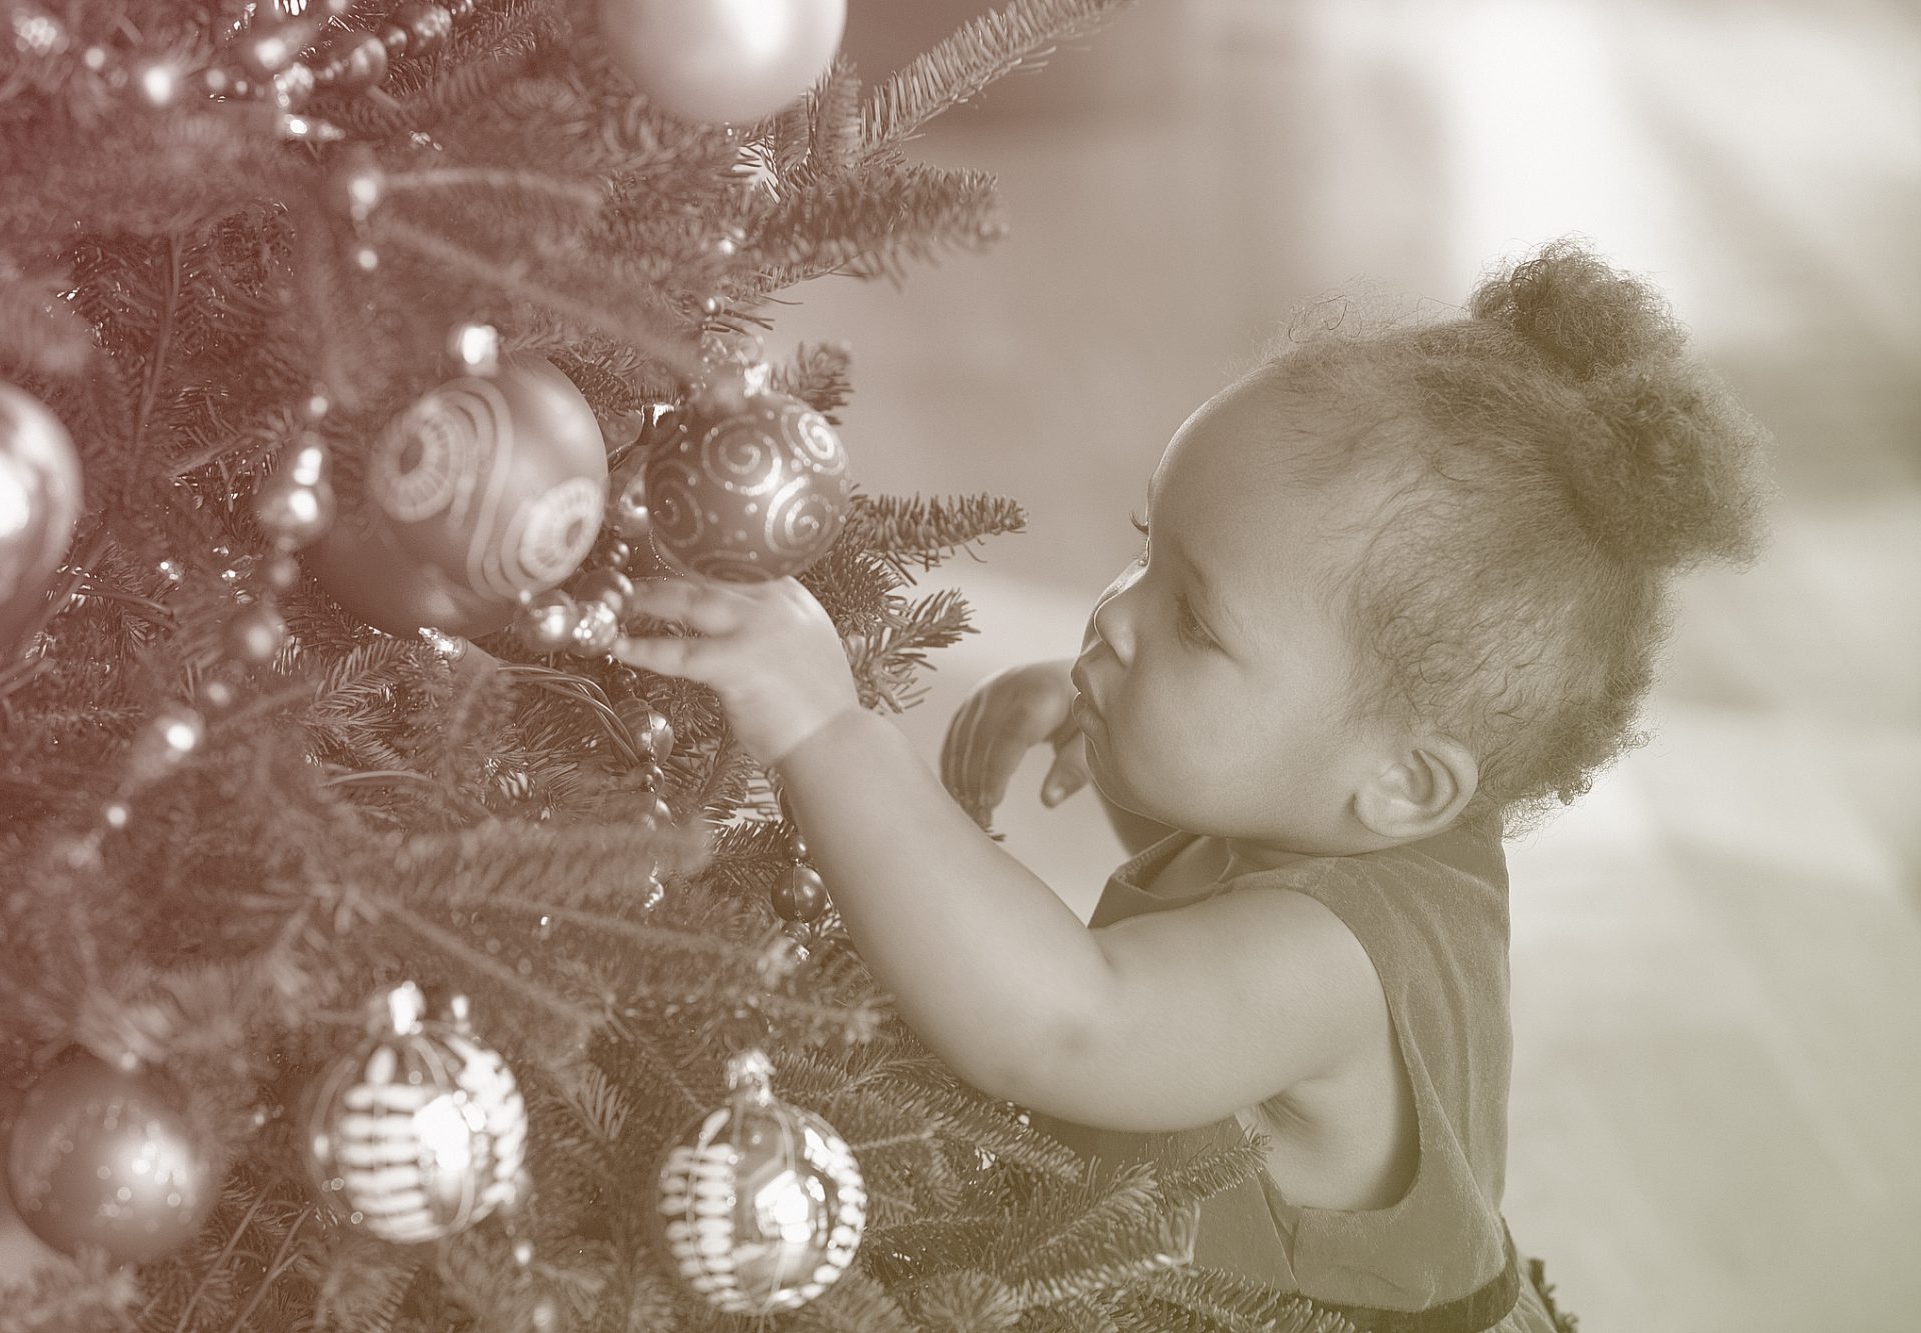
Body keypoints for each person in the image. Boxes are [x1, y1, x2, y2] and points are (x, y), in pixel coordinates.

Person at [610, 240, 1769, 1331]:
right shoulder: (1373, 832)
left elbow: (1066, 1023)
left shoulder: (1325, 968)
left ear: (1404, 779)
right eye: (1141, 549)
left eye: (1192, 618)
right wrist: (1112, 723)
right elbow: (1219, 874)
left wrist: (827, 729)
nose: (1112, 614)